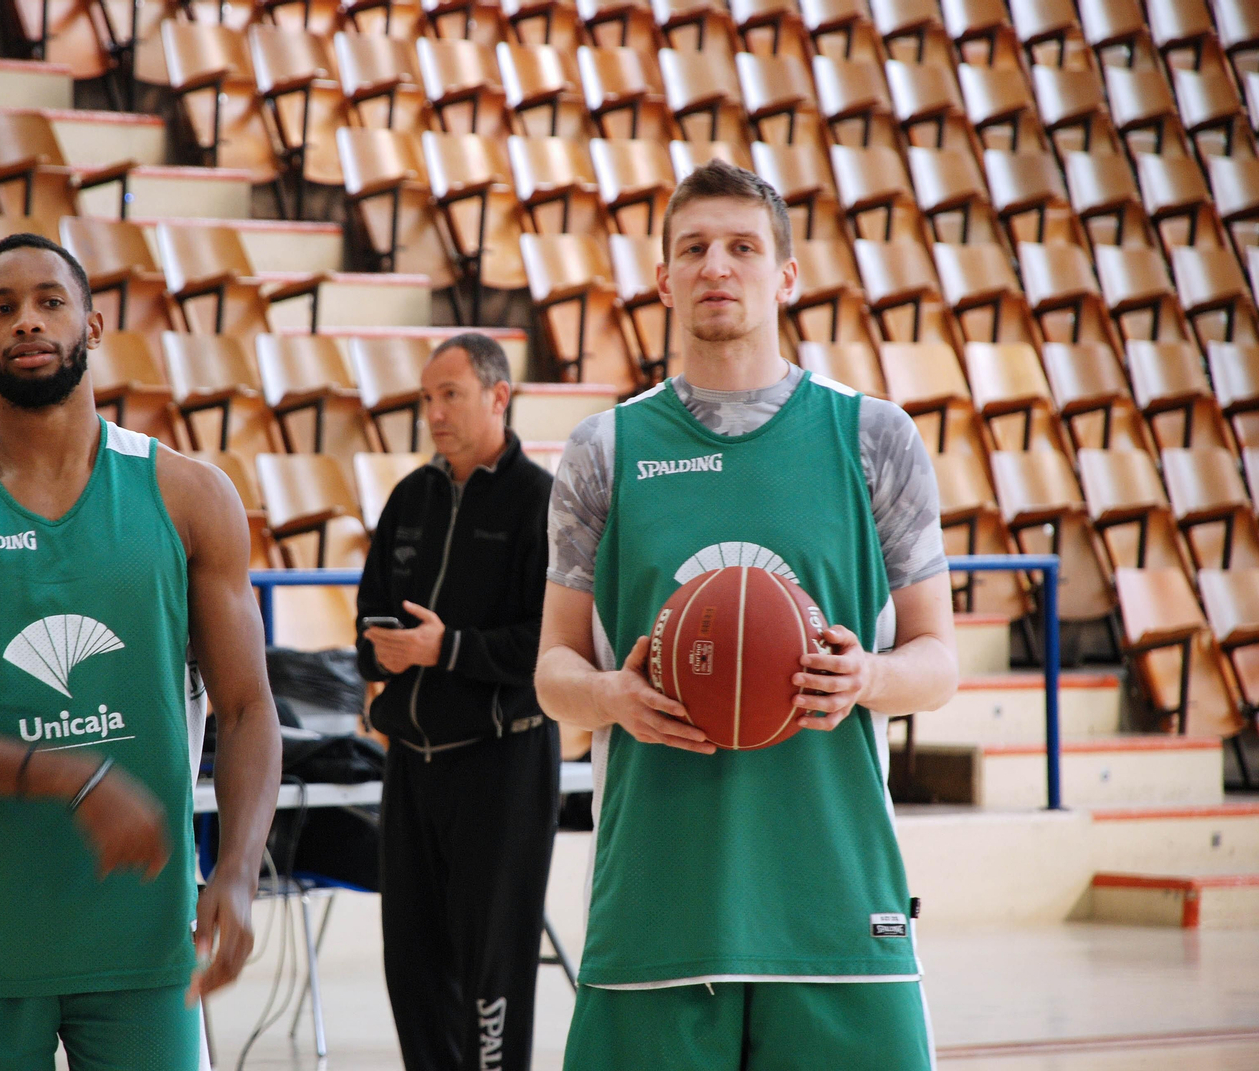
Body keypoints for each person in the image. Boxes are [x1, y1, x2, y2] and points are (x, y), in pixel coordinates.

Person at [535, 161, 959, 1069]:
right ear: (664, 279)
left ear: (786, 275)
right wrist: (612, 696)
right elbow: (553, 673)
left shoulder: (874, 436)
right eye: (693, 248)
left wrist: (867, 675)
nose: (716, 266)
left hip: (837, 902)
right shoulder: (603, 449)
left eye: (742, 246)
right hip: (656, 906)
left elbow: (939, 662)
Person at [0, 233, 283, 1071]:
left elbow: (246, 708)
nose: (28, 321)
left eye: (50, 301)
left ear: (92, 325)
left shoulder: (190, 496)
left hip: (145, 941)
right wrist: (69, 776)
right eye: (2, 307)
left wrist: (237, 869)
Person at [356, 333, 558, 1071]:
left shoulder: (542, 500)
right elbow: (369, 615)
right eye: (426, 398)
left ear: (499, 397)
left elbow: (551, 642)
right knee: (411, 966)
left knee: (491, 970)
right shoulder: (410, 496)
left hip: (502, 762)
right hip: (412, 763)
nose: (434, 413)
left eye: (450, 395)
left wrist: (449, 650)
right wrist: (379, 650)